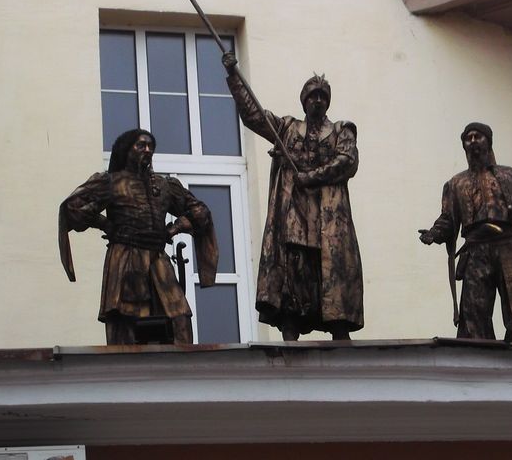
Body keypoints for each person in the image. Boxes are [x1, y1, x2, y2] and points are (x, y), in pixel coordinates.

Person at [222, 52, 364, 341]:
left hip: (329, 220)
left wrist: (310, 177)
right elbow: (254, 115)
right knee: (294, 268)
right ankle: (290, 325)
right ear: (304, 101)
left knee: (332, 270)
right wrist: (235, 78)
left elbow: (347, 161)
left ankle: (339, 328)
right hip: (294, 217)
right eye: (312, 96)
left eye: (323, 97)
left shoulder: (341, 131)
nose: (317, 101)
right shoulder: (287, 128)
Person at [59, 129, 218, 344]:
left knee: (179, 319)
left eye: (150, 146)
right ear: (126, 150)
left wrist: (174, 228)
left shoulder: (164, 186)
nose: (147, 150)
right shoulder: (111, 182)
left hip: (158, 260)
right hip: (125, 260)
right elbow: (72, 208)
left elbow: (200, 212)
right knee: (127, 322)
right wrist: (105, 224)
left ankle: (181, 370)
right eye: (141, 145)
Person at [419, 122, 512, 342]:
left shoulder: (511, 177)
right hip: (475, 249)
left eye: (477, 136)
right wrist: (434, 233)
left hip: (509, 245)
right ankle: (476, 351)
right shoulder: (455, 183)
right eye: (467, 138)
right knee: (473, 311)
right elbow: (448, 219)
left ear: (488, 142)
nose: (472, 141)